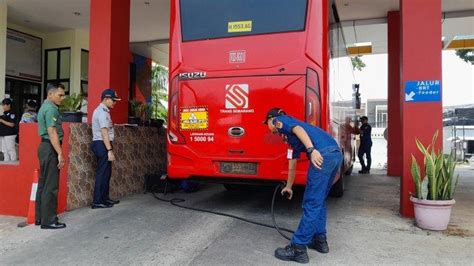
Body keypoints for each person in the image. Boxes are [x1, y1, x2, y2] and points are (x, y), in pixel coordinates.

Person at [263, 108, 342, 264]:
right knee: (318, 201)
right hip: (334, 154)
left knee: (311, 203)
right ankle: (319, 240)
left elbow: (298, 129)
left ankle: (298, 248)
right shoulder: (290, 138)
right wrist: (289, 186)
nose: (269, 128)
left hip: (322, 154)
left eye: (267, 123)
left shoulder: (282, 121)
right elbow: (292, 164)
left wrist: (312, 150)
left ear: (272, 119)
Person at [35, 83, 67, 229]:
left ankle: (40, 217)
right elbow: (52, 131)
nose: (63, 97)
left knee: (43, 183)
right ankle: (49, 221)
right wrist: (60, 153)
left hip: (45, 146)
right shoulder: (51, 109)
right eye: (60, 95)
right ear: (50, 94)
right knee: (51, 185)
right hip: (50, 148)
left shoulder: (45, 106)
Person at [91, 88, 121, 209]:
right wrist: (109, 150)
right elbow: (104, 132)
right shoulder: (102, 112)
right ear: (106, 99)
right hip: (101, 144)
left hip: (104, 144)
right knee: (102, 173)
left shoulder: (105, 111)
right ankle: (97, 201)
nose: (115, 102)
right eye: (113, 100)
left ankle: (104, 198)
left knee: (107, 173)